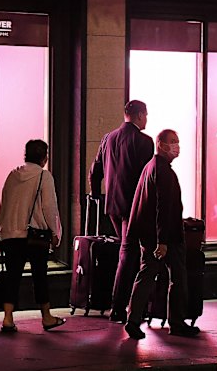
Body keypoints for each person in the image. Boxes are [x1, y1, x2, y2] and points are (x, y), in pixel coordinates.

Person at [124, 129, 200, 339]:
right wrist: (163, 240)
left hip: (149, 235)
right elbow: (163, 208)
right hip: (166, 236)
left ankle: (133, 319)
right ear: (161, 144)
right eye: (172, 142)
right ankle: (176, 322)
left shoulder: (150, 167)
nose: (176, 146)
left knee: (146, 275)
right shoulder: (163, 171)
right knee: (177, 277)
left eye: (177, 141)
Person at [89, 100, 154, 323]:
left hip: (112, 206)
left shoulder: (109, 138)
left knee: (129, 252)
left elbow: (94, 171)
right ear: (139, 115)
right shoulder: (144, 142)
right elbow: (146, 179)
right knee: (128, 254)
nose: (147, 119)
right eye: (146, 115)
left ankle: (131, 305)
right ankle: (119, 307)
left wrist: (97, 196)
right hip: (133, 206)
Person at [0, 139, 66, 332]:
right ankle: (46, 316)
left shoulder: (12, 175)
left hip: (10, 233)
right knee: (40, 276)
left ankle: (8, 318)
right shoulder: (44, 177)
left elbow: (4, 204)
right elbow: (49, 207)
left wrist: (0, 228)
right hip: (35, 235)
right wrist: (55, 232)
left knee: (12, 276)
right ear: (44, 157)